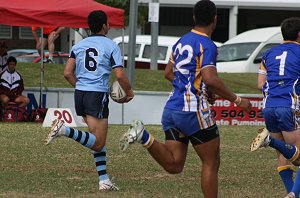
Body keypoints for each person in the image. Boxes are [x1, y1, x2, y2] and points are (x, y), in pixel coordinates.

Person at [119, 0, 252, 197]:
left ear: (193, 18)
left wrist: (195, 86)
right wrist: (238, 100)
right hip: (192, 112)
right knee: (211, 162)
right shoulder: (207, 44)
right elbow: (210, 78)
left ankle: (143, 136)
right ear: (215, 19)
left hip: (172, 110)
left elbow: (168, 73)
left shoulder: (180, 41)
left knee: (174, 165)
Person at [45, 10, 134, 191]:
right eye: (108, 23)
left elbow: (67, 73)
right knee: (99, 142)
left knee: (95, 140)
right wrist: (129, 91)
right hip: (96, 95)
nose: (109, 25)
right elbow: (119, 74)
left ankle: (104, 180)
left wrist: (81, 86)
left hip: (81, 94)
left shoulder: (79, 45)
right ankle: (64, 130)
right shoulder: (111, 46)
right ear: (104, 26)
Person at [250, 17, 300, 198]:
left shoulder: (269, 54)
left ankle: (291, 193)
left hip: (269, 106)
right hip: (288, 105)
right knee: (299, 157)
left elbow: (260, 84)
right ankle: (294, 194)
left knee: (284, 154)